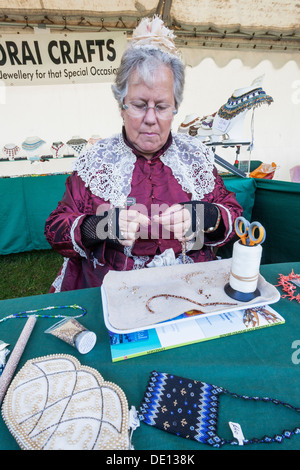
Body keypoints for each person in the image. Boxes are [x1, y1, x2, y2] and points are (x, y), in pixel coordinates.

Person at [45, 17, 243, 293]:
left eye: (161, 106)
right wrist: (100, 226)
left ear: (175, 108)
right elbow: (56, 227)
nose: (151, 118)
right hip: (113, 291)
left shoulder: (195, 157)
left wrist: (208, 217)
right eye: (139, 105)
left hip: (189, 289)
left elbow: (233, 214)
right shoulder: (97, 160)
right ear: (122, 106)